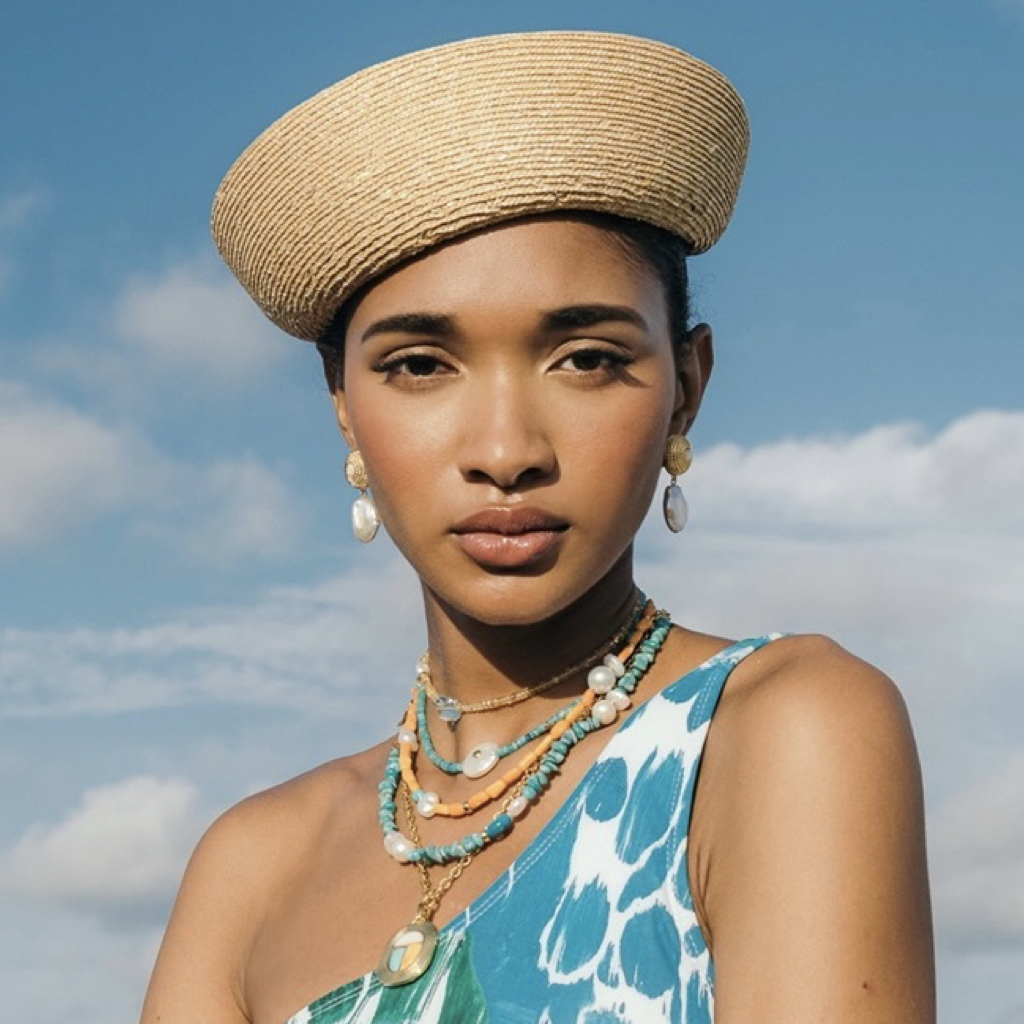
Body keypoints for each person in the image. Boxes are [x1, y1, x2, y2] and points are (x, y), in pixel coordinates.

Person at [140, 31, 935, 1024]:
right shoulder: (249, 867)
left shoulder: (778, 730)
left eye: (587, 357)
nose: (506, 447)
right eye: (420, 365)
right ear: (343, 403)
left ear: (685, 387)